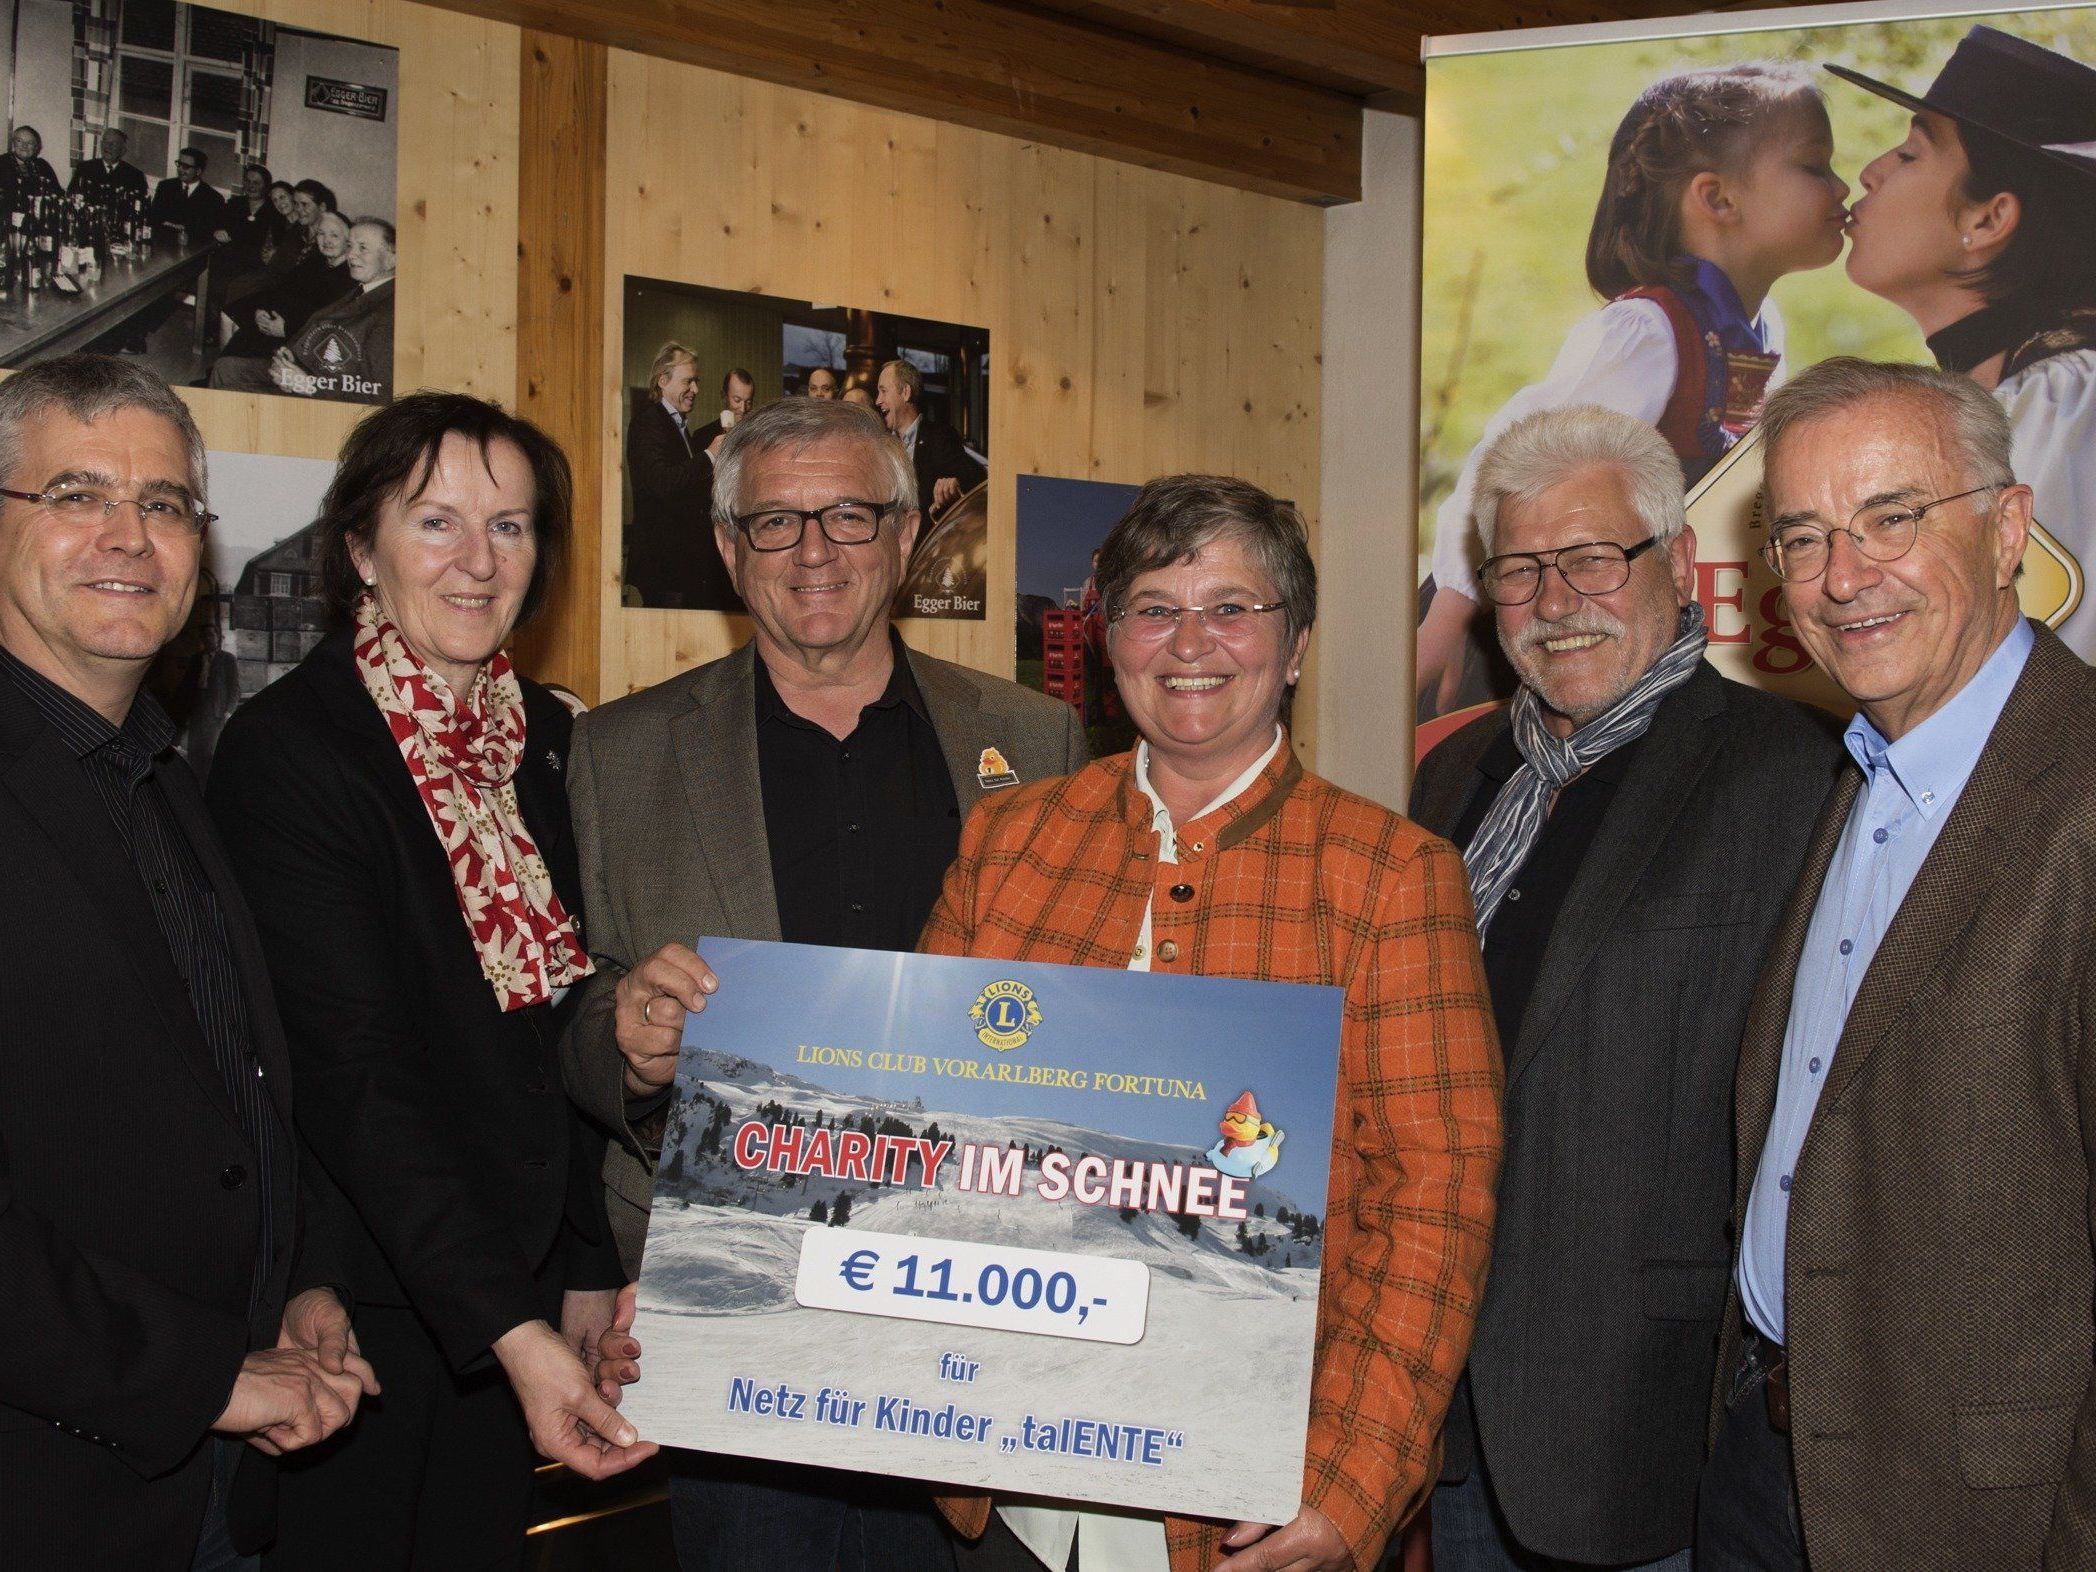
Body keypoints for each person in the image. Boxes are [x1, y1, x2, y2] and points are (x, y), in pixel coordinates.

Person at [906, 474, 1501, 1572]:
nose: (1190, 642)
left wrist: (1350, 1484)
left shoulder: (1390, 878)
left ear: (1296, 642)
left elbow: (1436, 1204)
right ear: (1106, 637)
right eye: (1152, 607)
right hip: (1008, 1492)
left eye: (1231, 607)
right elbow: (917, 1135)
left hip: (1242, 1512)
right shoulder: (1008, 843)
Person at [562, 394, 1084, 1570]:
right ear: (724, 547)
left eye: (850, 515)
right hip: (740, 1311)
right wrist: (624, 1040)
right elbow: (576, 1010)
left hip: (989, 1302)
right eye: (774, 523)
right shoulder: (617, 754)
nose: (814, 553)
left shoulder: (1035, 740)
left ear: (907, 537)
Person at [206, 393, 653, 1568]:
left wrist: (585, 1267)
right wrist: (510, 1327)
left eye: (509, 527)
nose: (477, 560)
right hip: (372, 1302)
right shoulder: (292, 753)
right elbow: (352, 1076)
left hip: (516, 1278)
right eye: (436, 522)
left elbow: (564, 1027)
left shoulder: (547, 743)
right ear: (360, 548)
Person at [1409, 406, 1841, 1572]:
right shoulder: (1456, 773)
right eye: (1518, 571)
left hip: (1643, 1420)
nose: (1555, 600)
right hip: (1448, 1406)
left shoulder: (1787, 775)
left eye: (1593, 558)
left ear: (1675, 564)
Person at [1697, 357, 2096, 1567]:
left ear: (2006, 530)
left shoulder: (2076, 796)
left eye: (1889, 518)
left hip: (1970, 1520)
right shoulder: (1859, 777)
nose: (1840, 577)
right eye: (1802, 536)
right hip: (1764, 1468)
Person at [0, 354, 374, 1565]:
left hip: (199, 1488)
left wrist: (296, 1284)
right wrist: (203, 1374)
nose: (128, 536)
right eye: (75, 494)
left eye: (164, 505)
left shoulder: (159, 776)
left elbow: (227, 1088)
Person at [1416, 63, 1850, 719]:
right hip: (1535, 631)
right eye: (1815, 165)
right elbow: (1510, 468)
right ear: (1719, 199)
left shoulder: (1761, 332)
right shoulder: (1648, 333)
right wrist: (1446, 619)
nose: (1842, 186)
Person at [1832, 23, 2096, 662]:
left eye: (1912, 153)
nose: (1868, 173)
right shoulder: (2024, 390)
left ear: (1987, 218)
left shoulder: (2064, 400)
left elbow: (2052, 655)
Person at [624, 341, 736, 609]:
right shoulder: (649, 422)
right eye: (689, 381)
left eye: (695, 381)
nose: (695, 390)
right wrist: (710, 455)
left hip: (680, 566)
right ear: (663, 380)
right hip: (662, 567)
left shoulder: (679, 426)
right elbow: (662, 483)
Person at [263, 218, 395, 403]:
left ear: (391, 259)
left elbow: (380, 396)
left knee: (231, 372)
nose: (351, 255)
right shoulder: (360, 289)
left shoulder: (390, 313)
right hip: (304, 370)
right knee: (228, 367)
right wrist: (289, 356)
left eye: (362, 248)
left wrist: (307, 385)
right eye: (350, 246)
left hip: (323, 396)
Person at [215, 207, 355, 366]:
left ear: (348, 241)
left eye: (334, 235)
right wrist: (260, 309)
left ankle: (226, 372)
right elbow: (282, 287)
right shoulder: (315, 261)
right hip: (280, 316)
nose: (326, 240)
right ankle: (220, 371)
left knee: (244, 339)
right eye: (321, 234)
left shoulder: (351, 276)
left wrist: (286, 328)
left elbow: (328, 321)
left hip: (297, 333)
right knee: (233, 318)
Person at [877, 357, 986, 522]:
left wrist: (953, 486)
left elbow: (975, 479)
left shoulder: (939, 437)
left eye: (883, 391)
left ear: (905, 392)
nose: (878, 400)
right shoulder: (881, 444)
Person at [148, 145, 225, 245]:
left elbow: (207, 231)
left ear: (198, 171)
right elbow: (154, 218)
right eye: (179, 164)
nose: (180, 169)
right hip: (163, 244)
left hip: (193, 249)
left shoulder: (213, 198)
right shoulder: (165, 186)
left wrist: (172, 225)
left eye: (186, 167)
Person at [66, 125, 148, 212]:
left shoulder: (135, 176)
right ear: (101, 144)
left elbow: (140, 209)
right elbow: (71, 196)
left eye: (114, 143)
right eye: (105, 142)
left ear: (123, 150)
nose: (108, 146)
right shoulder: (85, 168)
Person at [0, 124, 65, 215]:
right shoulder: (2, 162)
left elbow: (57, 194)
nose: (24, 146)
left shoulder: (43, 165)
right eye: (19, 141)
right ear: (13, 143)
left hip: (38, 218)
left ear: (36, 147)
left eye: (30, 143)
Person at [690, 366, 755, 451]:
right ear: (724, 396)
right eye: (737, 400)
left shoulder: (756, 436)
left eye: (748, 402)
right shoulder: (702, 436)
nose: (743, 409)